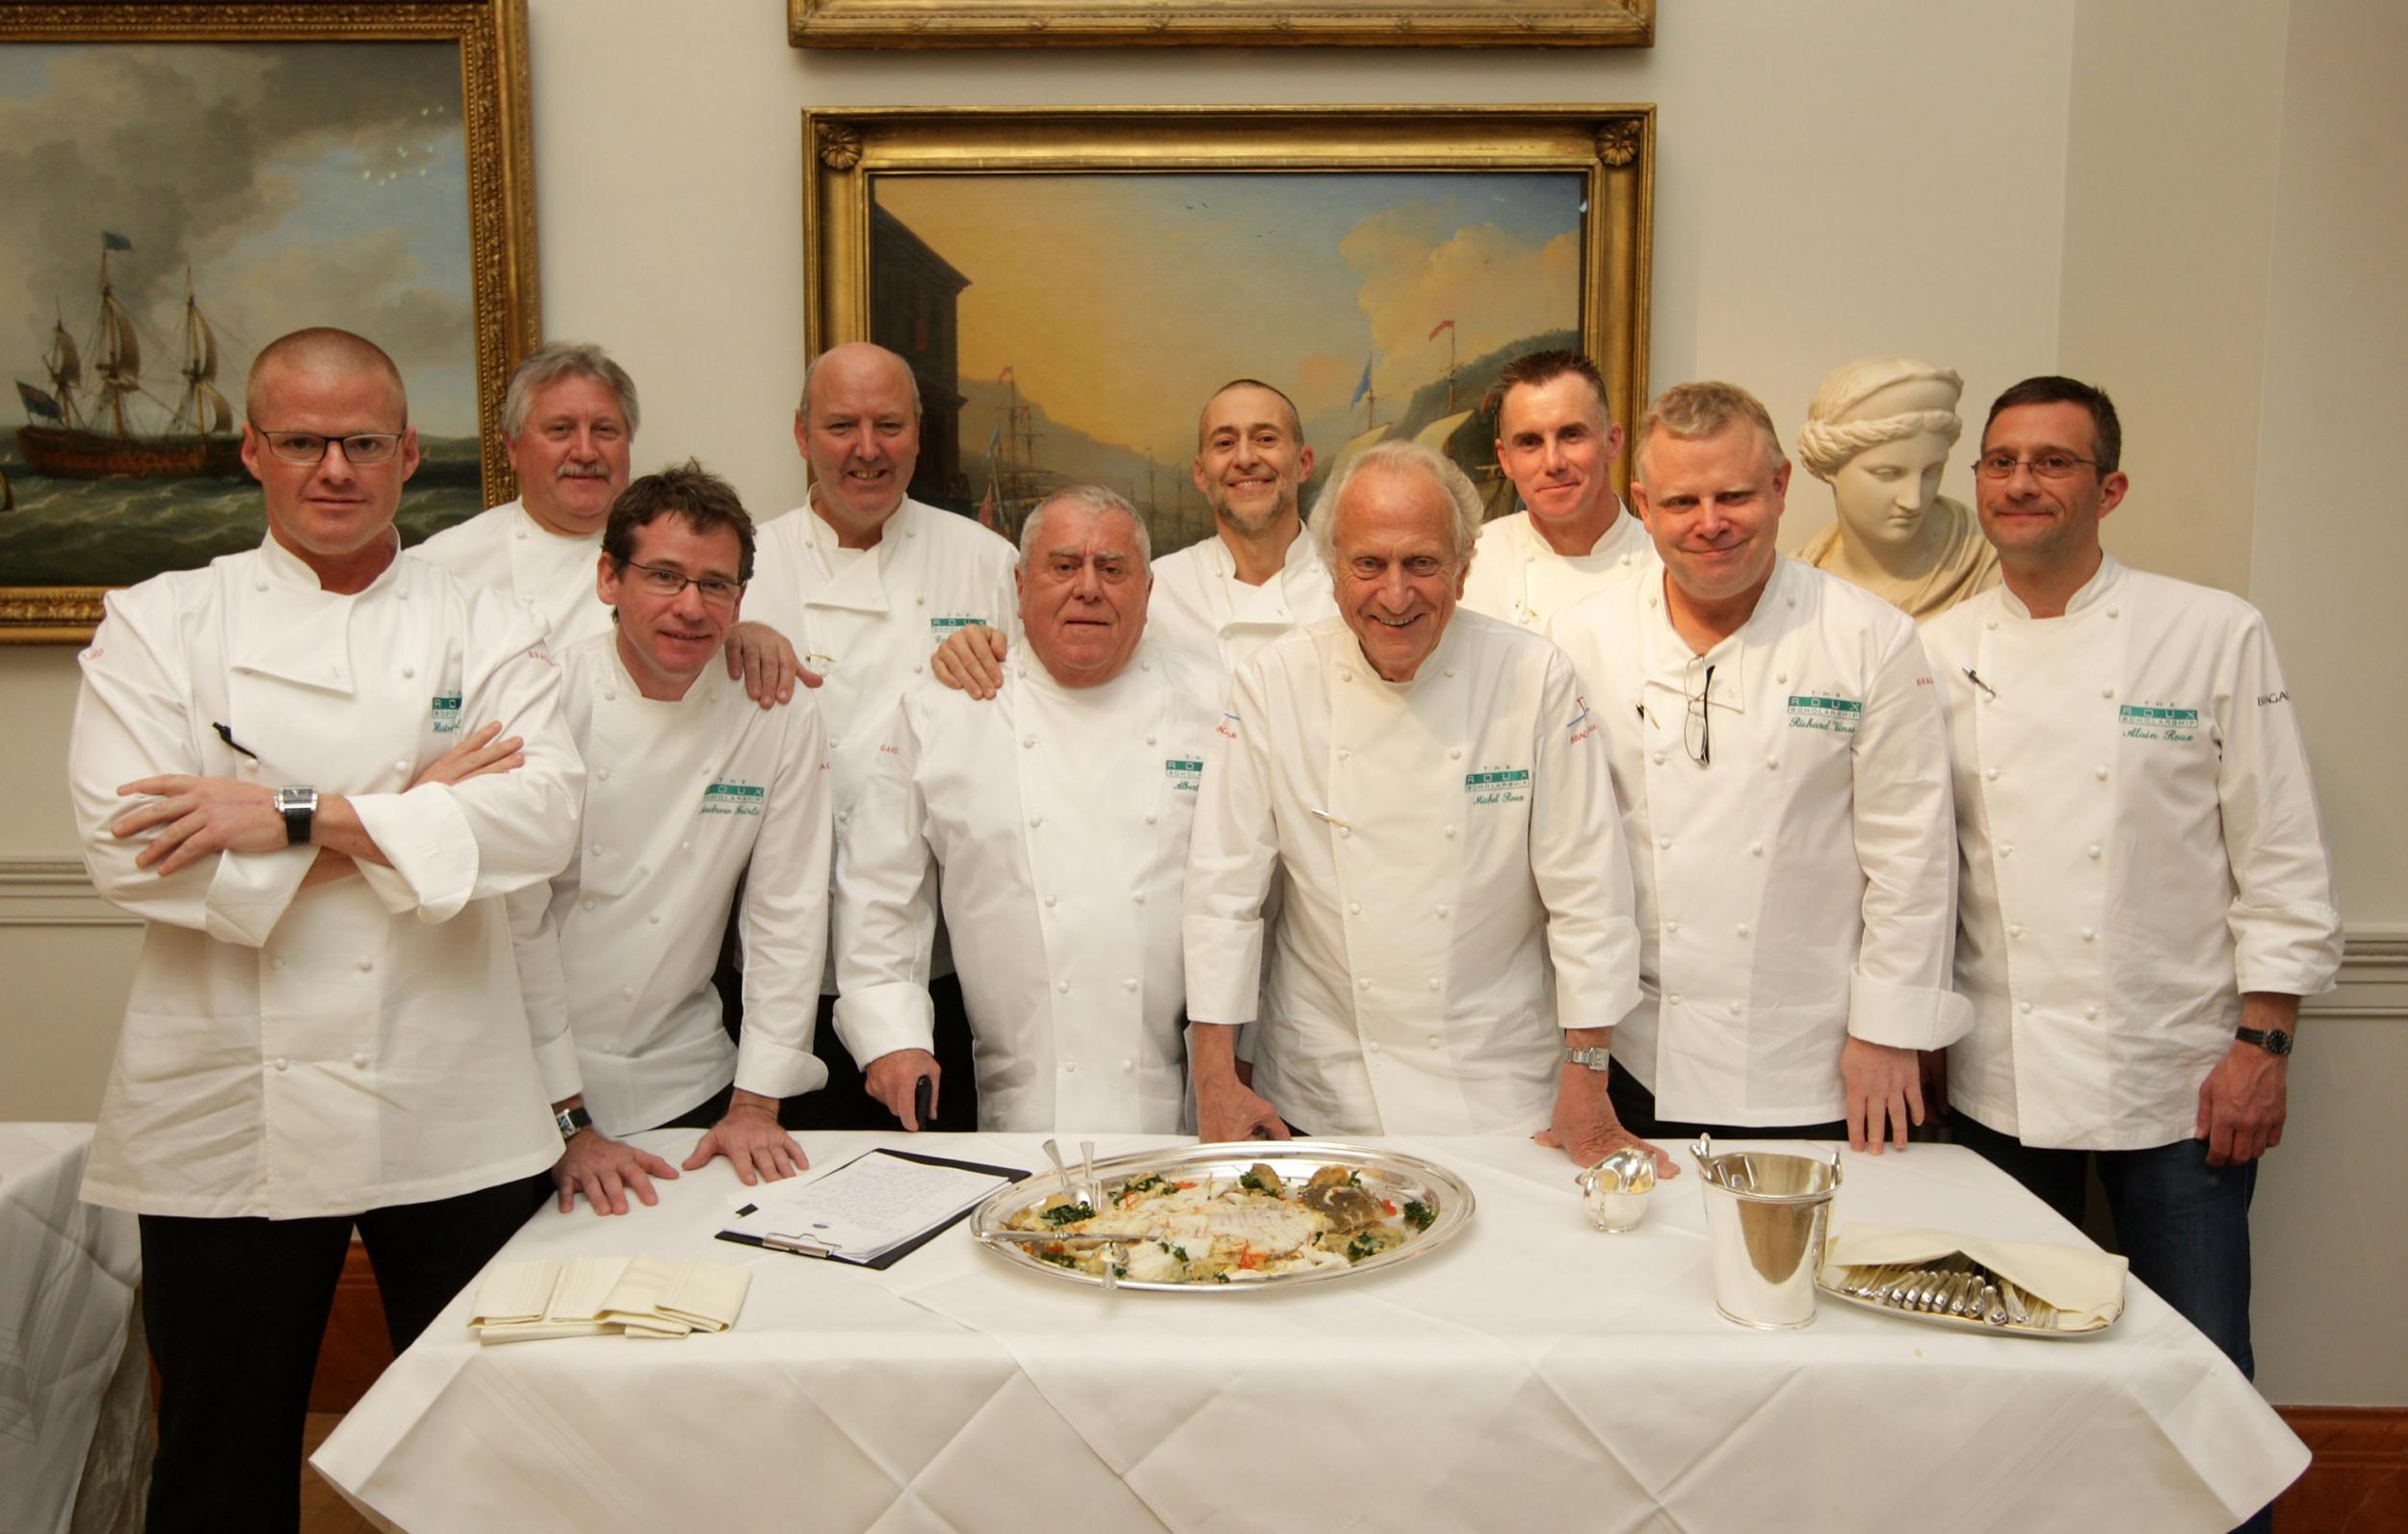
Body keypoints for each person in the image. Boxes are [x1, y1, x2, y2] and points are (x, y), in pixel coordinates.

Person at [65, 328, 585, 1533]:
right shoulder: (158, 624)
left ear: (410, 453)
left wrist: (286, 810)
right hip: (223, 1109)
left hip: (451, 1094)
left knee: (488, 1457)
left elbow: (543, 821)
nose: (333, 468)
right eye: (301, 441)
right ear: (252, 449)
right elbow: (122, 844)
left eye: (361, 442)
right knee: (218, 1460)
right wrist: (416, 812)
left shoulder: (488, 623)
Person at [1922, 377, 2339, 1485]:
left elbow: (2280, 852)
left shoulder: (2208, 633)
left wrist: (2264, 1047)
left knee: (2200, 1365)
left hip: (2179, 1079)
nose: (2021, 483)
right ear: (1977, 484)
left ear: (2107, 488)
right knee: (2005, 1363)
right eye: (2001, 461)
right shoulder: (1931, 650)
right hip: (1995, 1081)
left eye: (2051, 461)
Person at [1183, 439, 1655, 1168]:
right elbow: (1224, 894)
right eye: (1369, 564)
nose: (1395, 595)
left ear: (1464, 570)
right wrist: (1214, 1075)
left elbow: (1590, 894)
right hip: (1323, 1084)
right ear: (1332, 568)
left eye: (1423, 563)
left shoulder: (1534, 677)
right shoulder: (1271, 684)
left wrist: (1588, 1079)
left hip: (1500, 1085)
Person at [1548, 381, 1968, 1153]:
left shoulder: (1870, 638)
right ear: (1643, 503)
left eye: (1734, 495)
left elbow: (1912, 857)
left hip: (1817, 1063)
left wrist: (1888, 1032)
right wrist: (1582, 1058)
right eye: (1681, 502)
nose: (1709, 524)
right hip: (1638, 1058)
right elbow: (1565, 863)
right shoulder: (1581, 640)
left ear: (1780, 488)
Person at [835, 486, 1220, 1131]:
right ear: (1019, 585)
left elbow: (1252, 895)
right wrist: (891, 1034)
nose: (1088, 588)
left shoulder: (1213, 703)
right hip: (1009, 1099)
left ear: (1148, 591)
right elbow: (880, 886)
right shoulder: (947, 705)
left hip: (1177, 1098)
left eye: (1113, 568)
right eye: (1064, 566)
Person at [515, 462, 832, 1213]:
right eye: (664, 576)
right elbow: (514, 924)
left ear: (741, 598)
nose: (691, 607)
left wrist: (756, 1103)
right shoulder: (544, 698)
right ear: (608, 579)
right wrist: (569, 1120)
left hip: (691, 1078)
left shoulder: (774, 709)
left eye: (715, 585)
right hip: (532, 1089)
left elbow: (785, 913)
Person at [735, 341, 1018, 1127]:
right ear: (801, 435)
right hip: (774, 960)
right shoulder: (743, 569)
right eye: (841, 425)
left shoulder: (988, 563)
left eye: (889, 424)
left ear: (918, 435)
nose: (867, 449)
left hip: (937, 967)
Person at [931, 377, 1338, 695]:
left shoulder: (1353, 586)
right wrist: (976, 648)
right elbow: (1048, 662)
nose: (1246, 458)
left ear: (1303, 463)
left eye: (1266, 439)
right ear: (1200, 473)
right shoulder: (1146, 589)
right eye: (1225, 443)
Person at [411, 341, 638, 645]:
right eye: (561, 429)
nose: (586, 452)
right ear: (513, 448)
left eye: (605, 430)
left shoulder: (674, 561)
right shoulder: (439, 567)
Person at [1460, 348, 1653, 630]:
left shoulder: (1665, 562)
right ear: (1505, 459)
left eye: (1571, 435)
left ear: (1612, 443)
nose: (1553, 462)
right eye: (1530, 442)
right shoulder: (1470, 565)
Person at [1795, 355, 2000, 620]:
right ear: (1829, 466)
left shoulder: (1986, 567)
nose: (1913, 501)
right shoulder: (1801, 586)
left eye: (1931, 471)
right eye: (1888, 474)